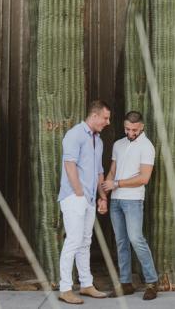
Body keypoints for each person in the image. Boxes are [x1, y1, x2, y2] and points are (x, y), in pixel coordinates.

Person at [101, 111, 159, 300]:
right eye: (127, 129)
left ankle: (152, 282)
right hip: (116, 200)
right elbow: (112, 171)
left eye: (134, 129)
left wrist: (117, 184)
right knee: (121, 242)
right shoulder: (118, 144)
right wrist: (104, 196)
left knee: (136, 239)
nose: (130, 132)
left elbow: (144, 178)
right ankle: (125, 283)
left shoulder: (147, 147)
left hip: (133, 200)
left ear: (141, 127)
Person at [57, 100, 111, 304]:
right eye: (105, 118)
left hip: (89, 199)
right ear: (94, 116)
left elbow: (99, 172)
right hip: (74, 197)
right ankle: (65, 288)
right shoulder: (75, 134)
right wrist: (79, 193)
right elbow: (69, 165)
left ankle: (86, 284)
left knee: (85, 242)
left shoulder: (99, 140)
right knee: (73, 240)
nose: (107, 122)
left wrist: (102, 197)